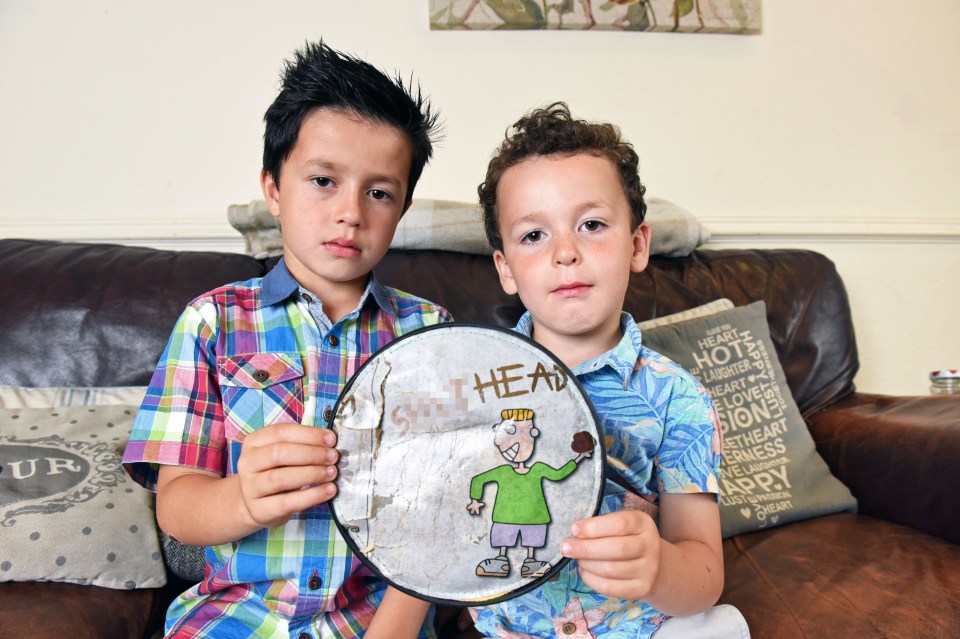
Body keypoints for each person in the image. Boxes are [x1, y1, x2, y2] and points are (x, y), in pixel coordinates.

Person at [122, 40, 449, 639]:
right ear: (274, 188)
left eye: (379, 192)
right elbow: (178, 508)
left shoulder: (432, 335)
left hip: (380, 621)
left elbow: (440, 518)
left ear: (400, 209)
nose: (351, 212)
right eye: (324, 180)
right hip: (237, 618)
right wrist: (245, 498)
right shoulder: (212, 322)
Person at [468, 102, 749, 638]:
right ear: (505, 267)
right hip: (513, 630)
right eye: (533, 236)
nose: (566, 252)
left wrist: (660, 567)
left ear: (638, 244)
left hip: (639, 629)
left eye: (591, 225)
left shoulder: (678, 399)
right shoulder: (472, 384)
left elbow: (705, 572)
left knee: (717, 628)